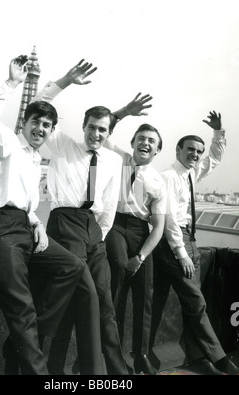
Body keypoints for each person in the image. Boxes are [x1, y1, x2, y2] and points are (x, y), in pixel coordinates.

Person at [0, 55, 104, 375]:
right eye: (35, 122)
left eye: (47, 125)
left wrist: (38, 224)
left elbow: (26, 204)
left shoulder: (34, 160)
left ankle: (24, 341)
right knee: (18, 310)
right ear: (23, 124)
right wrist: (14, 82)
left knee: (71, 266)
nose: (40, 128)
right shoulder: (5, 143)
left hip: (20, 227)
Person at [30, 71, 129, 375]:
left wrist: (99, 235)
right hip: (65, 222)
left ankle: (116, 372)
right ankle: (79, 371)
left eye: (102, 130)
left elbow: (110, 204)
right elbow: (38, 105)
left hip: (94, 230)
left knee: (104, 301)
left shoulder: (113, 161)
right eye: (91, 128)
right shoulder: (62, 146)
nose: (95, 134)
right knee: (85, 295)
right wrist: (65, 81)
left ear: (108, 132)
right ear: (82, 126)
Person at [152, 111, 239, 375]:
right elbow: (168, 219)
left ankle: (199, 357)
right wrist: (182, 253)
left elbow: (213, 158)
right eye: (190, 149)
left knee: (193, 304)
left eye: (197, 151)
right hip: (175, 244)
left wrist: (219, 132)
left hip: (190, 241)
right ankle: (222, 360)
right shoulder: (169, 176)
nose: (195, 155)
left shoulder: (190, 173)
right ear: (178, 150)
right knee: (197, 303)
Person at [104, 95, 166, 374]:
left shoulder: (157, 181)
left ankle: (141, 355)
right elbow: (105, 129)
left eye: (152, 141)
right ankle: (109, 354)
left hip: (141, 233)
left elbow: (159, 226)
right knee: (116, 271)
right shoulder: (118, 158)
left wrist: (140, 256)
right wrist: (124, 112)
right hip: (114, 224)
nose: (146, 143)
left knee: (145, 292)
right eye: (141, 138)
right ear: (132, 143)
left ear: (157, 151)